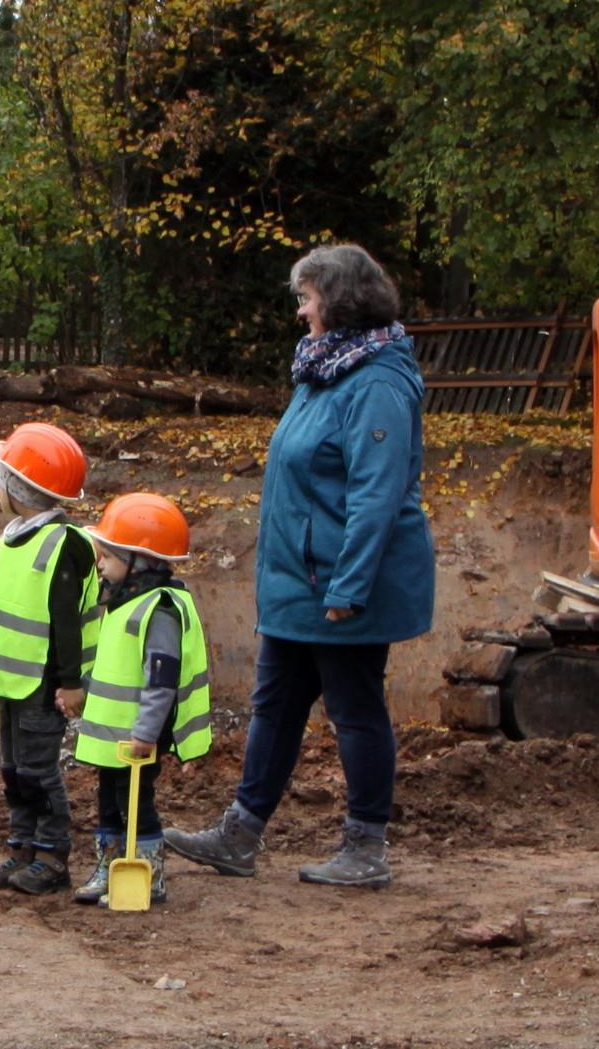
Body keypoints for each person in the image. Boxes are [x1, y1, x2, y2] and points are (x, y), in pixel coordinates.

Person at [165, 243, 433, 890]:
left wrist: (349, 587)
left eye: (308, 296)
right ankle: (240, 833)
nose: (301, 310)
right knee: (275, 705)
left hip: (340, 582)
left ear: (339, 302)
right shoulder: (323, 372)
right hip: (298, 580)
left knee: (355, 706)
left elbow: (376, 495)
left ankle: (367, 845)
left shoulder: (377, 382)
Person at [0, 421, 98, 896]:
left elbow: (65, 622)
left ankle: (52, 854)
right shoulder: (16, 536)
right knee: (14, 770)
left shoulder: (64, 544)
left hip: (42, 686)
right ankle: (22, 846)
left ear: (19, 489)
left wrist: (70, 681)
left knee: (38, 771)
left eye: (1, 482)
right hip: (14, 682)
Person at [71, 493, 211, 908]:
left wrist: (146, 733)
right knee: (108, 800)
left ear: (139, 560)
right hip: (113, 734)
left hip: (138, 735)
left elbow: (161, 680)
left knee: (136, 803)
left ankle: (149, 872)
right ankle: (109, 866)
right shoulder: (120, 602)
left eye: (108, 556)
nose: (100, 564)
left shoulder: (159, 609)